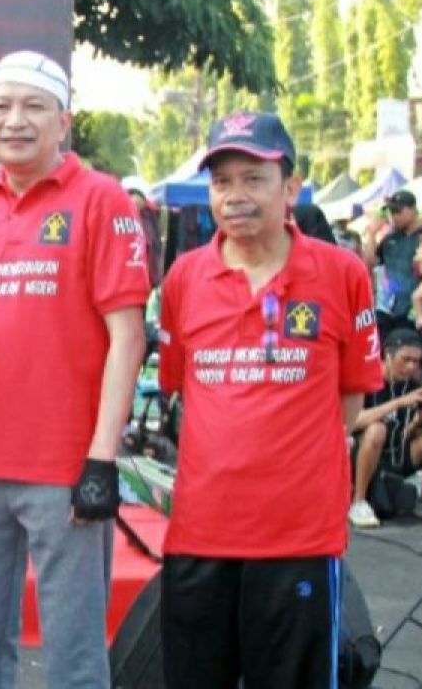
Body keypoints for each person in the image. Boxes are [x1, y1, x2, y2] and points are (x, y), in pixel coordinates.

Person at [0, 50, 150, 689]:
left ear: (63, 121)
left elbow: (127, 336)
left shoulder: (102, 201)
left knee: (74, 654)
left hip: (66, 468)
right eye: (1, 106)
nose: (15, 121)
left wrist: (102, 457)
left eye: (33, 106)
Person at [157, 111, 382, 688]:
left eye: (253, 178)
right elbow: (183, 391)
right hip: (199, 533)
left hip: (298, 538)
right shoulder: (183, 278)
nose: (235, 196)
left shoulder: (342, 274)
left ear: (292, 187)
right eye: (222, 180)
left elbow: (350, 399)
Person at [347, 327, 422, 527]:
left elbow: (404, 433)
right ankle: (358, 501)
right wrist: (398, 403)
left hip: (396, 454)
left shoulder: (412, 384)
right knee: (377, 430)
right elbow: (354, 420)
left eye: (416, 361)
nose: (411, 367)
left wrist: (419, 421)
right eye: (405, 360)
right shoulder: (366, 378)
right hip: (361, 452)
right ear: (388, 355)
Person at [363, 189, 422, 338]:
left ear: (412, 209)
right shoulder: (390, 239)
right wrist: (372, 234)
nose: (394, 216)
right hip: (388, 310)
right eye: (391, 212)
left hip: (416, 311)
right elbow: (369, 264)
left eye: (398, 211)